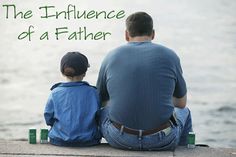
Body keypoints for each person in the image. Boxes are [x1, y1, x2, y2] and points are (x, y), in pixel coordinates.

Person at [96, 12, 193, 150]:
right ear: (153, 34)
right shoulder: (170, 55)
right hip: (162, 140)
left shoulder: (111, 56)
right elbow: (181, 104)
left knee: (103, 112)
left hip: (120, 139)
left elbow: (100, 101)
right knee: (185, 112)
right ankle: (185, 150)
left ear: (126, 34)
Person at [44, 52, 101, 147]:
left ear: (62, 72)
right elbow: (98, 117)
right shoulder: (93, 92)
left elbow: (48, 118)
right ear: (84, 73)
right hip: (89, 141)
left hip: (59, 140)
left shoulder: (55, 93)